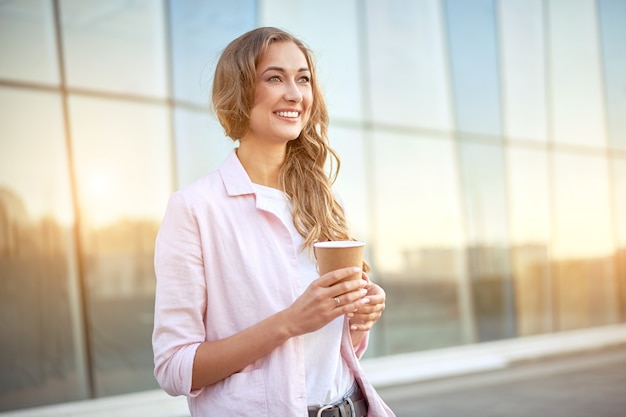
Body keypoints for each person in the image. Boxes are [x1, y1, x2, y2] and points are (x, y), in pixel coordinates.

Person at [152, 26, 395, 417]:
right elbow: (174, 368)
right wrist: (289, 322)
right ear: (240, 90)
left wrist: (360, 316)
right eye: (274, 78)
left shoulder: (323, 200)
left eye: (303, 79)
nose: (295, 94)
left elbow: (327, 353)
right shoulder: (195, 209)